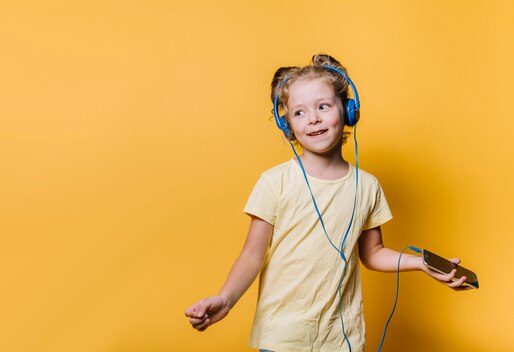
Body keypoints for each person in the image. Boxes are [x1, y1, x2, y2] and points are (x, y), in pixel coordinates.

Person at [184, 54, 470, 352]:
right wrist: (225, 299)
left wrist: (421, 264)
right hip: (283, 336)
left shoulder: (367, 186)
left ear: (347, 111)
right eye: (299, 113)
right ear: (287, 125)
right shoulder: (274, 182)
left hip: (341, 338)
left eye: (323, 106)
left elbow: (372, 253)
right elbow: (252, 255)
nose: (313, 119)